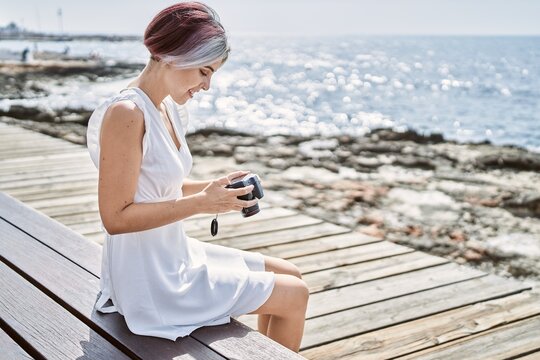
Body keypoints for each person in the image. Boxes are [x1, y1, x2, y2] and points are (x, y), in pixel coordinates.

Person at [86, 2, 309, 353]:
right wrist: (202, 203)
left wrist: (214, 191)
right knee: (295, 295)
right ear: (172, 55)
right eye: (204, 71)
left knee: (290, 273)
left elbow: (157, 187)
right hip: (151, 280)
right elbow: (115, 217)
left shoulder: (167, 108)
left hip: (172, 255)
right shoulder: (126, 114)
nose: (207, 86)